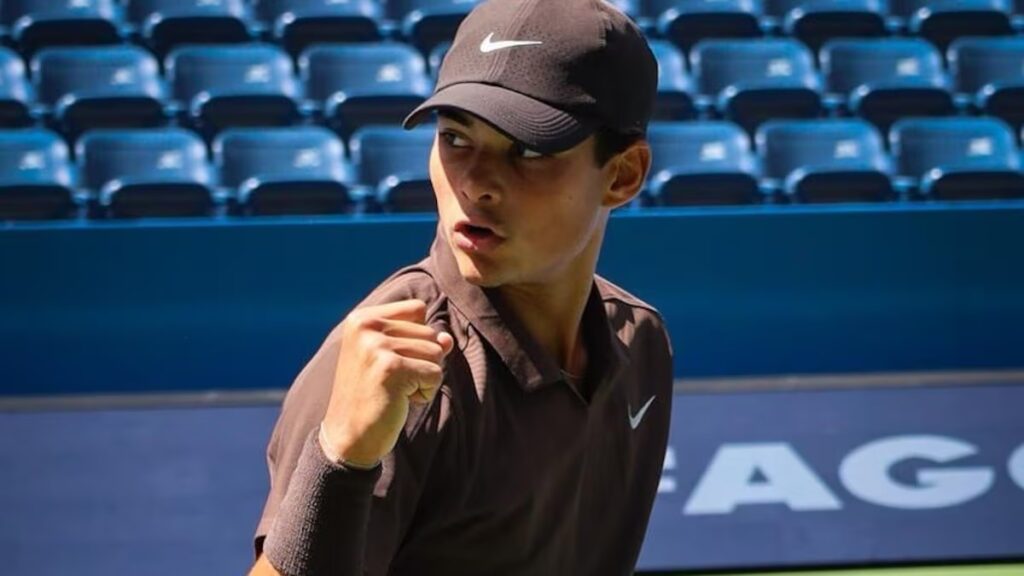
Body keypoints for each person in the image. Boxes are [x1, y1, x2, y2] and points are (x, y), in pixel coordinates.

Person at [249, 0, 673, 574]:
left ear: (622, 175)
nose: (475, 183)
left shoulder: (640, 341)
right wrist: (341, 458)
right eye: (454, 138)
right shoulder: (397, 367)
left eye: (528, 150)